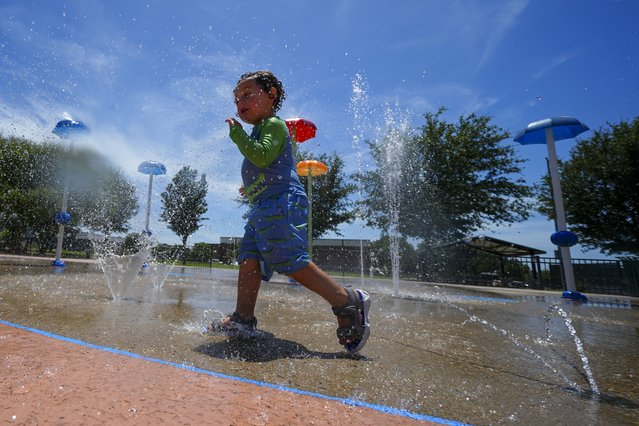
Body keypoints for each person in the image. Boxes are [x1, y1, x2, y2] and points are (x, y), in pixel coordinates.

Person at [208, 70, 371, 353]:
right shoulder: (260, 129)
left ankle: (347, 301)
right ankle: (242, 319)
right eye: (236, 99)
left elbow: (261, 155)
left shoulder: (273, 124)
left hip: (281, 203)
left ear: (271, 95)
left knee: (287, 259)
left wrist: (237, 134)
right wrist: (252, 187)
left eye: (247, 94)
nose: (240, 103)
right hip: (262, 205)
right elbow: (265, 165)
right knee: (248, 260)